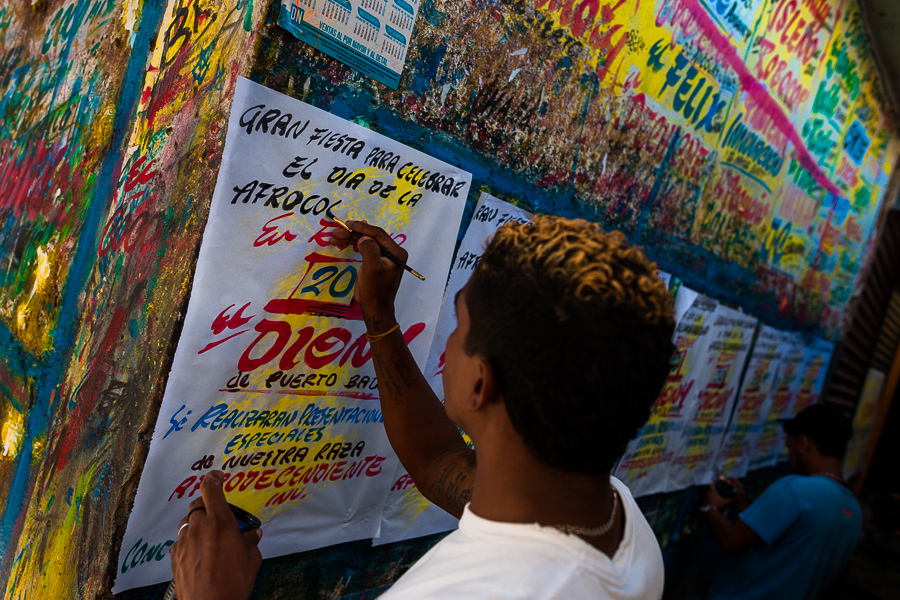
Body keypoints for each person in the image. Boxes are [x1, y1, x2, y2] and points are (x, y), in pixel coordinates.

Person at [170, 215, 676, 599]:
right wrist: (380, 315)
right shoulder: (613, 517)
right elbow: (439, 463)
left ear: (483, 382)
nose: (447, 342)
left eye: (458, 326)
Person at [703, 404, 862, 600]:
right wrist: (743, 507)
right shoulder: (853, 510)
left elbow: (731, 539)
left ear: (803, 443)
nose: (789, 454)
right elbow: (790, 547)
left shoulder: (795, 489)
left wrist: (709, 507)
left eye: (790, 446)